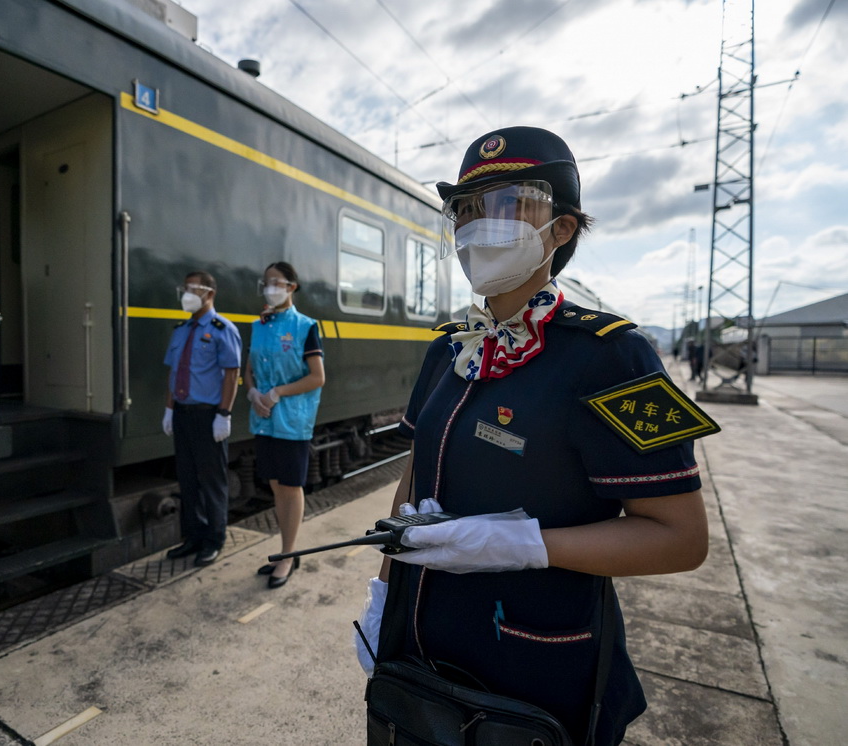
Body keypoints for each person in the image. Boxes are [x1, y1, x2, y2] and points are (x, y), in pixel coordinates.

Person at [354, 127, 717, 745]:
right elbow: (415, 475)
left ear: (563, 228)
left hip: (532, 669)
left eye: (506, 205)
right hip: (417, 649)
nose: (478, 226)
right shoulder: (448, 350)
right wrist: (384, 592)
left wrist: (520, 545)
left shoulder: (613, 357)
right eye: (467, 209)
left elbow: (680, 539)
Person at [245, 262, 325, 589]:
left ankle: (289, 555)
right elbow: (248, 367)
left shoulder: (306, 326)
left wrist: (278, 392)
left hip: (292, 421)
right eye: (266, 282)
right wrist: (251, 391)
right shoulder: (259, 325)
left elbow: (317, 377)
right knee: (277, 486)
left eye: (276, 282)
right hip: (264, 419)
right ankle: (285, 551)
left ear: (292, 287)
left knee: (291, 487)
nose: (269, 288)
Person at [162, 271, 241, 567]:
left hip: (209, 416)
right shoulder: (181, 330)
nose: (187, 294)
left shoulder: (223, 329)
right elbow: (173, 373)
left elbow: (231, 374)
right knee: (187, 479)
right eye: (185, 288)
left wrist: (224, 414)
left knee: (212, 481)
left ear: (209, 293)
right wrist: (169, 409)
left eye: (193, 289)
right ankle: (192, 537)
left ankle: (214, 539)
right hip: (182, 413)